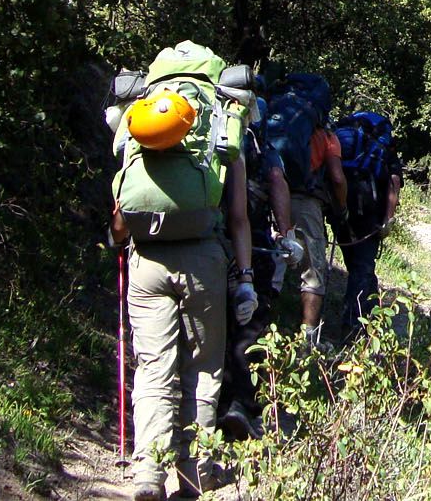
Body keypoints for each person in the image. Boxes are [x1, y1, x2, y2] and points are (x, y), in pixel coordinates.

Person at [110, 42, 258, 501]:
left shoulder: (142, 123)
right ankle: (196, 471)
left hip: (147, 261)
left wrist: (123, 239)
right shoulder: (221, 122)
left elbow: (120, 216)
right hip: (203, 260)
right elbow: (238, 217)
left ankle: (148, 473)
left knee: (154, 367)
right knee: (204, 366)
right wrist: (247, 278)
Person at [216, 105, 292, 440]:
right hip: (254, 245)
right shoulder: (258, 142)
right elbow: (276, 181)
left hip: (208, 244)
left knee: (214, 325)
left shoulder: (206, 134)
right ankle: (243, 405)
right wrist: (287, 234)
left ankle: (206, 406)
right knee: (250, 325)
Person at [259, 72, 346, 351]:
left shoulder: (266, 120)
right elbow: (336, 177)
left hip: (263, 192)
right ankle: (308, 339)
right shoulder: (325, 134)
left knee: (268, 257)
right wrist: (340, 210)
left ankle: (260, 324)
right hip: (302, 201)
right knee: (312, 270)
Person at [333, 109, 402, 340]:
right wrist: (387, 220)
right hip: (369, 212)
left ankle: (369, 317)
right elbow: (393, 183)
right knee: (362, 267)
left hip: (340, 208)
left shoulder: (343, 140)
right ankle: (353, 328)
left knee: (357, 264)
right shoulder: (384, 150)